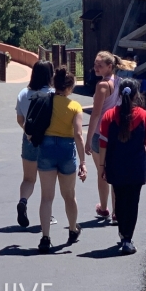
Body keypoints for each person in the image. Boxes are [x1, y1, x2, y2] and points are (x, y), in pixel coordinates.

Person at [98, 78, 146, 255]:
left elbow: (103, 143)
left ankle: (123, 234)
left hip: (116, 164)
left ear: (119, 93)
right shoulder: (144, 115)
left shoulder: (109, 115)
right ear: (137, 94)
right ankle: (128, 238)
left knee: (120, 199)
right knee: (133, 201)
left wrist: (102, 165)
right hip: (136, 165)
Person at [36, 67, 87, 253]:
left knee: (46, 197)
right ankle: (73, 229)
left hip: (46, 148)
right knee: (69, 195)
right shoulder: (75, 107)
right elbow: (78, 135)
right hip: (66, 150)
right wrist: (83, 162)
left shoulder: (45, 101)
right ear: (70, 87)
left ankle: (45, 237)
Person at [15, 60, 54, 228]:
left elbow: (20, 119)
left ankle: (23, 201)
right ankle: (48, 215)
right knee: (48, 181)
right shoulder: (53, 94)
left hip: (29, 139)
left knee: (29, 178)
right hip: (49, 140)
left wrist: (29, 133)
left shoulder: (23, 93)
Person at [85, 50, 123, 221]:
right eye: (95, 64)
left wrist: (87, 139)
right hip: (115, 132)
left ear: (109, 66)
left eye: (99, 65)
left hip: (101, 133)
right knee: (115, 172)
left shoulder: (102, 86)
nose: (96, 68)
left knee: (102, 172)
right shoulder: (119, 82)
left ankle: (104, 207)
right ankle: (117, 212)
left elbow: (95, 114)